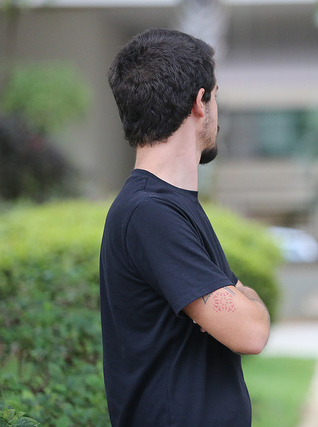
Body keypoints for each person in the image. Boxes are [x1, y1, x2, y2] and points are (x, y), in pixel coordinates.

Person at [99, 28, 271, 426]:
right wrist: (248, 299)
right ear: (200, 102)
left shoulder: (166, 206)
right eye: (216, 95)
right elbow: (250, 332)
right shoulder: (150, 213)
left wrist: (237, 299)